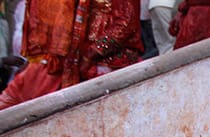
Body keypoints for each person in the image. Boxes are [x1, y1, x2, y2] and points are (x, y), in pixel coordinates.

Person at [1, 0, 144, 110]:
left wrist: (91, 54)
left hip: (109, 68)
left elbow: (125, 24)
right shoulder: (49, 61)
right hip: (68, 64)